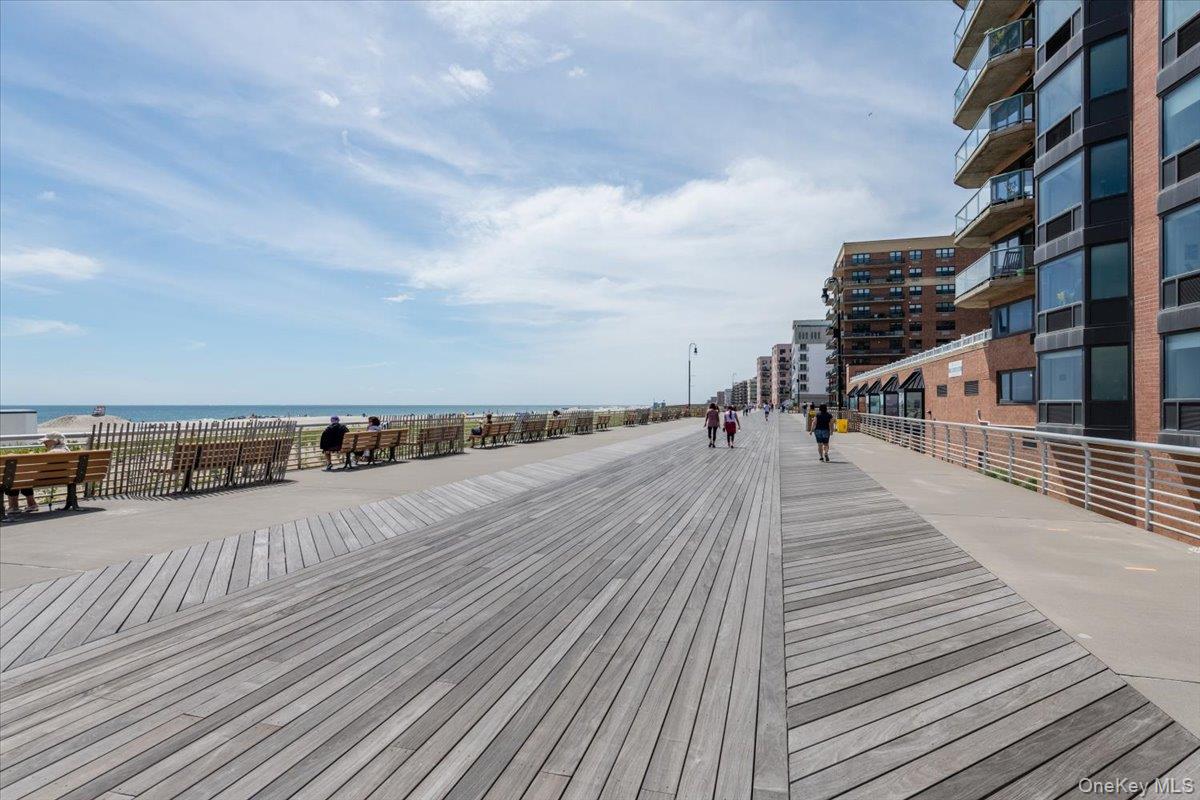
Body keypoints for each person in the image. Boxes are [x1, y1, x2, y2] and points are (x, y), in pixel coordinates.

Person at [5, 432, 70, 513]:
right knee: (22, 476)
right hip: (61, 478)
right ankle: (31, 504)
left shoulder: (54, 452)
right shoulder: (66, 450)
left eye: (46, 441)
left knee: (15, 477)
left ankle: (13, 506)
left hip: (46, 479)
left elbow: (40, 463)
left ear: (55, 441)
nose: (44, 443)